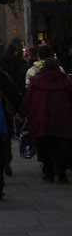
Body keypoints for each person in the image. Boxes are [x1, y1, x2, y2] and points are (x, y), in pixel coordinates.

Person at [19, 46, 72, 184]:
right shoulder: (66, 82)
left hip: (40, 118)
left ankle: (48, 172)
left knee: (44, 145)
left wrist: (22, 114)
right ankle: (61, 173)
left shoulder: (36, 82)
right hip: (62, 119)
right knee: (61, 146)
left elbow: (27, 99)